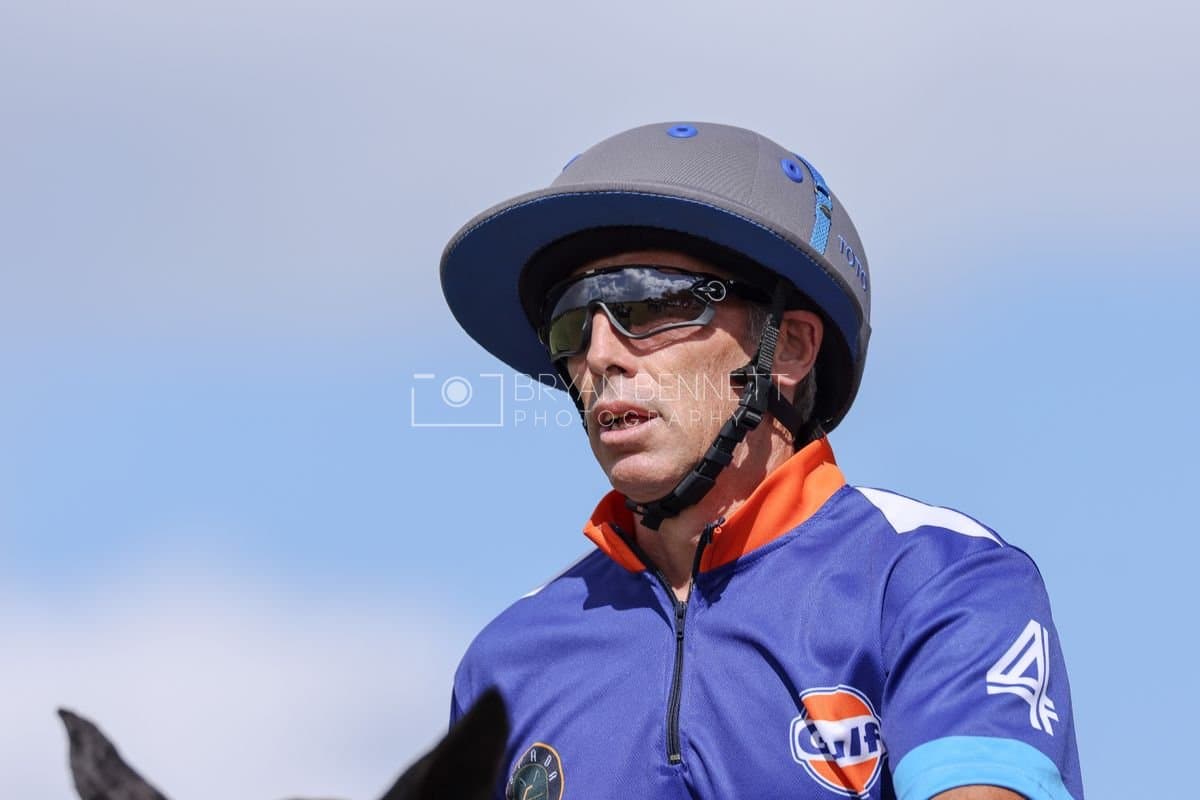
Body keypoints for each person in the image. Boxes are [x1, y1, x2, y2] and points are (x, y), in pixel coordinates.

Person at [438, 122, 1083, 800]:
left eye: (647, 303)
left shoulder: (935, 576)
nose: (600, 356)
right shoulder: (505, 662)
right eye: (571, 324)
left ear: (792, 349)